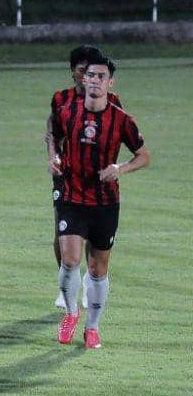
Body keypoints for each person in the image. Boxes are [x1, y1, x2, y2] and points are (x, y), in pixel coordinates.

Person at [48, 55, 149, 349]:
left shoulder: (122, 119)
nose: (94, 80)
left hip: (105, 203)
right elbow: (53, 137)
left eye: (101, 76)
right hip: (72, 196)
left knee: (97, 269)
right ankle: (70, 313)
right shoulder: (67, 112)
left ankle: (92, 327)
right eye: (90, 75)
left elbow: (144, 156)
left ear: (110, 82)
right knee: (69, 260)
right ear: (83, 79)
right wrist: (54, 157)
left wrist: (120, 169)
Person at [45, 45, 123, 310]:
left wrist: (113, 166)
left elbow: (118, 131)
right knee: (63, 228)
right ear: (73, 72)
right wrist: (53, 156)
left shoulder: (111, 100)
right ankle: (66, 283)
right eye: (82, 71)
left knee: (93, 233)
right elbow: (52, 132)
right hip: (67, 175)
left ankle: (92, 281)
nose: (86, 77)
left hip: (98, 180)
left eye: (92, 72)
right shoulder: (61, 99)